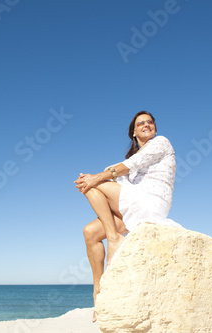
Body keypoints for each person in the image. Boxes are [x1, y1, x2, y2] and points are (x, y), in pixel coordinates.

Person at [74, 111, 182, 322]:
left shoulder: (161, 142)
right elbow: (121, 171)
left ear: (155, 127)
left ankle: (114, 238)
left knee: (91, 183)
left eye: (150, 122)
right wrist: (96, 177)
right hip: (133, 205)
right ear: (134, 132)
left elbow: (127, 167)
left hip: (151, 201)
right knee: (90, 232)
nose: (146, 125)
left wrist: (96, 177)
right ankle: (98, 290)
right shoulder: (133, 158)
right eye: (141, 123)